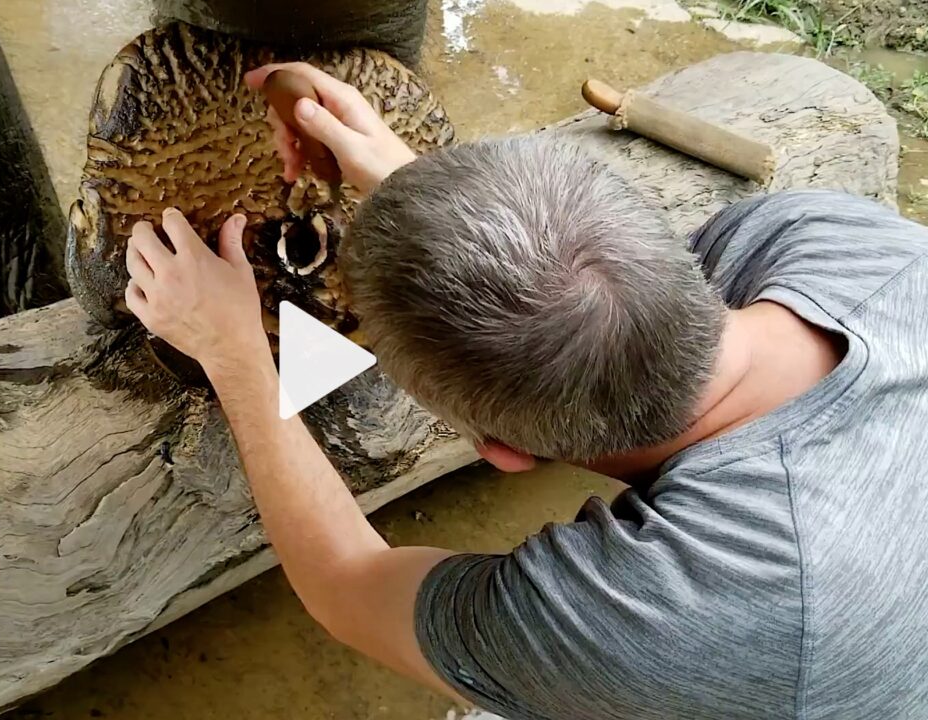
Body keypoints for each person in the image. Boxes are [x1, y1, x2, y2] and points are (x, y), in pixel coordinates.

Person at [120, 61, 928, 719]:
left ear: (504, 454)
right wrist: (425, 197)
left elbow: (343, 582)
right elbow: (584, 289)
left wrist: (236, 358)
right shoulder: (822, 233)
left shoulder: (648, 615)